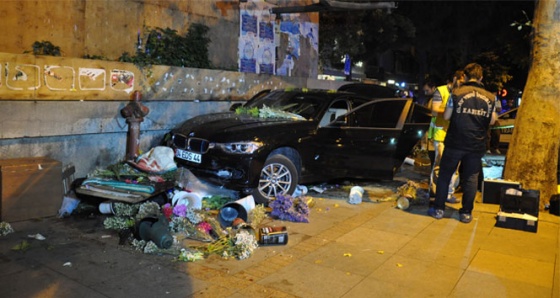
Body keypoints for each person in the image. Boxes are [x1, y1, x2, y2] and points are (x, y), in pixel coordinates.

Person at [428, 63, 498, 223]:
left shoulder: (456, 93)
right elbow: (493, 120)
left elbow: (446, 116)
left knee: (445, 175)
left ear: (465, 77)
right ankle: (466, 213)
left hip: (455, 142)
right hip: (477, 143)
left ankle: (439, 209)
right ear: (481, 78)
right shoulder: (491, 97)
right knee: (471, 177)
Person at [428, 70, 465, 204]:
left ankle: (449, 194)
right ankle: (435, 193)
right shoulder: (441, 91)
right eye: (461, 81)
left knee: (455, 167)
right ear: (454, 79)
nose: (463, 84)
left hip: (455, 134)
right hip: (441, 134)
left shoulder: (461, 93)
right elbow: (434, 110)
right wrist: (451, 110)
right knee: (439, 165)